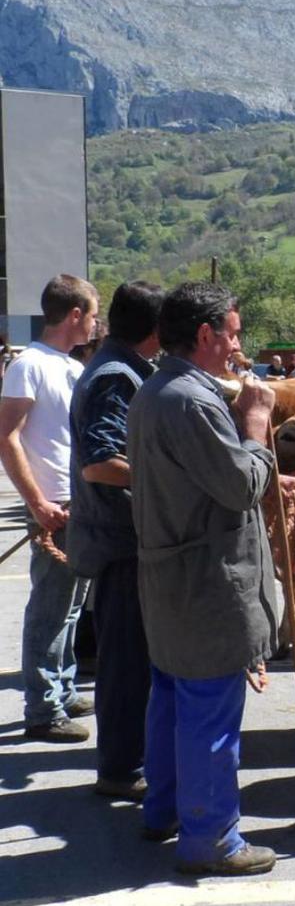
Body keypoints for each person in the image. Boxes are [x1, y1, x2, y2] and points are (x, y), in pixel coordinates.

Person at [128, 281, 295, 876]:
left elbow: (204, 478)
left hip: (170, 575)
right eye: (232, 333)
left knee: (173, 700)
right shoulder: (191, 401)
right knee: (209, 712)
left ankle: (164, 810)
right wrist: (256, 424)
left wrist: (244, 446)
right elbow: (237, 487)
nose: (238, 345)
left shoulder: (161, 391)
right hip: (207, 584)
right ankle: (211, 839)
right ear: (205, 335)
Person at [67, 281, 165, 798]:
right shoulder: (115, 377)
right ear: (156, 329)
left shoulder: (118, 369)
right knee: (127, 663)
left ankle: (126, 761)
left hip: (119, 539)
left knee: (129, 660)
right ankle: (122, 769)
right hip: (120, 543)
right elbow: (101, 465)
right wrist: (171, 475)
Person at [0, 275, 99, 741]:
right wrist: (37, 502)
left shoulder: (68, 366)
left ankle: (60, 684)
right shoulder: (29, 365)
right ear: (74, 314)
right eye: (93, 314)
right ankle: (43, 707)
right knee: (50, 608)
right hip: (53, 505)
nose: (97, 324)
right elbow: (7, 437)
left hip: (75, 503)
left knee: (73, 606)